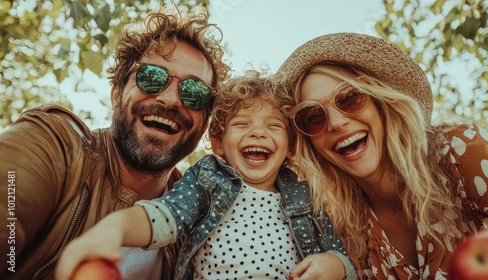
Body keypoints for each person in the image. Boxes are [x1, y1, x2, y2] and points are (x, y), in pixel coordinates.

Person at [54, 70, 358, 280]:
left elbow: (344, 260)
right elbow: (165, 216)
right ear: (218, 143)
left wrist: (336, 265)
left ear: (290, 145)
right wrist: (116, 227)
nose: (257, 132)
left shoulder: (305, 196)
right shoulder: (209, 179)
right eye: (242, 124)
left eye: (274, 126)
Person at [0, 6, 230, 280]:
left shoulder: (202, 220)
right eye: (152, 78)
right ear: (116, 93)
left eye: (195, 93)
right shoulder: (55, 143)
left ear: (204, 124)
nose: (170, 99)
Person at [277, 32, 488, 279]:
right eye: (314, 117)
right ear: (310, 142)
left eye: (349, 98)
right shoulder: (340, 228)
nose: (337, 123)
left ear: (380, 103)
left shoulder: (456, 150)